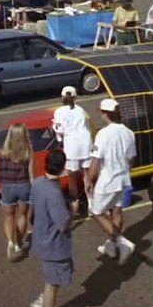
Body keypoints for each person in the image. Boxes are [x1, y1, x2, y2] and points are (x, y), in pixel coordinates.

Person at [88, 98, 136, 266]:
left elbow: (95, 161)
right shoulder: (129, 133)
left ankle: (122, 242)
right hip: (124, 179)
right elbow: (132, 159)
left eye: (101, 112)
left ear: (106, 114)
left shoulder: (103, 134)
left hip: (108, 180)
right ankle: (113, 246)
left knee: (95, 212)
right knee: (116, 212)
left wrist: (89, 181)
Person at [28, 150, 72, 307]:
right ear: (62, 168)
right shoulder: (54, 193)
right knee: (52, 282)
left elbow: (32, 208)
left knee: (53, 279)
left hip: (41, 238)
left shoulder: (38, 183)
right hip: (53, 245)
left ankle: (44, 299)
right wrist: (72, 212)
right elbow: (62, 223)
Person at [0, 123, 35, 262]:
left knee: (8, 216)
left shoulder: (1, 151)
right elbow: (31, 175)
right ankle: (18, 243)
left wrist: (0, 186)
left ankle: (10, 242)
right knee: (22, 215)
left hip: (7, 186)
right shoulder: (28, 151)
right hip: (24, 186)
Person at [53, 86, 93, 216]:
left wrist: (57, 134)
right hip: (86, 145)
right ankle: (91, 203)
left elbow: (59, 130)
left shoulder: (59, 111)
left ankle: (75, 202)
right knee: (87, 176)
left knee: (72, 176)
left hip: (72, 148)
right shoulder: (81, 110)